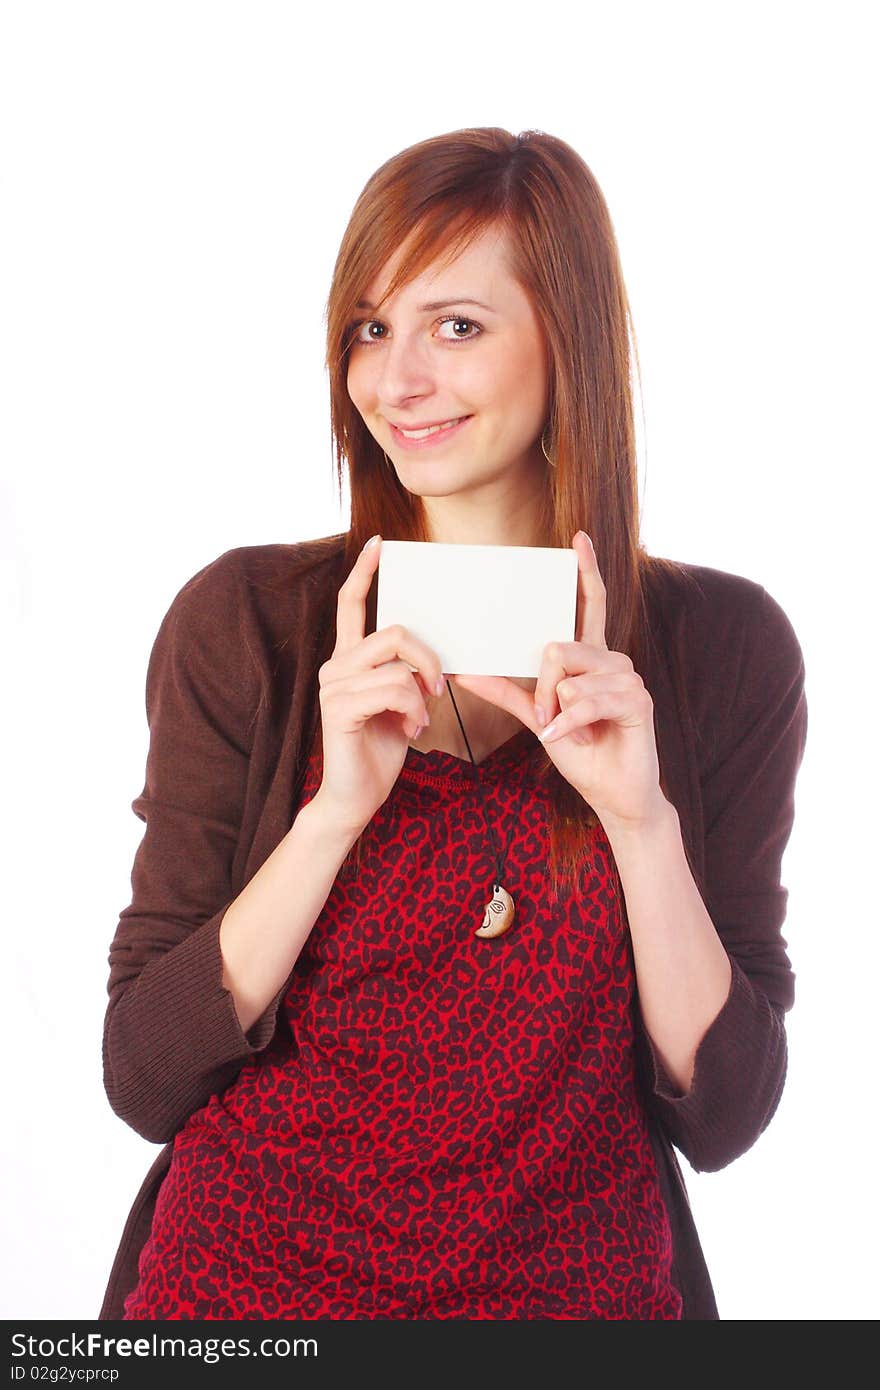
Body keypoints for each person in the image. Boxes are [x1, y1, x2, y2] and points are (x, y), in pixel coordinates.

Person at [100, 127, 808, 1321]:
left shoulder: (720, 647)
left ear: (567, 343)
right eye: (371, 327)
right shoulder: (249, 623)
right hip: (247, 1307)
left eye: (457, 326)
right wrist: (331, 815)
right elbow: (144, 1075)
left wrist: (640, 826)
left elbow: (728, 1108)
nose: (393, 380)